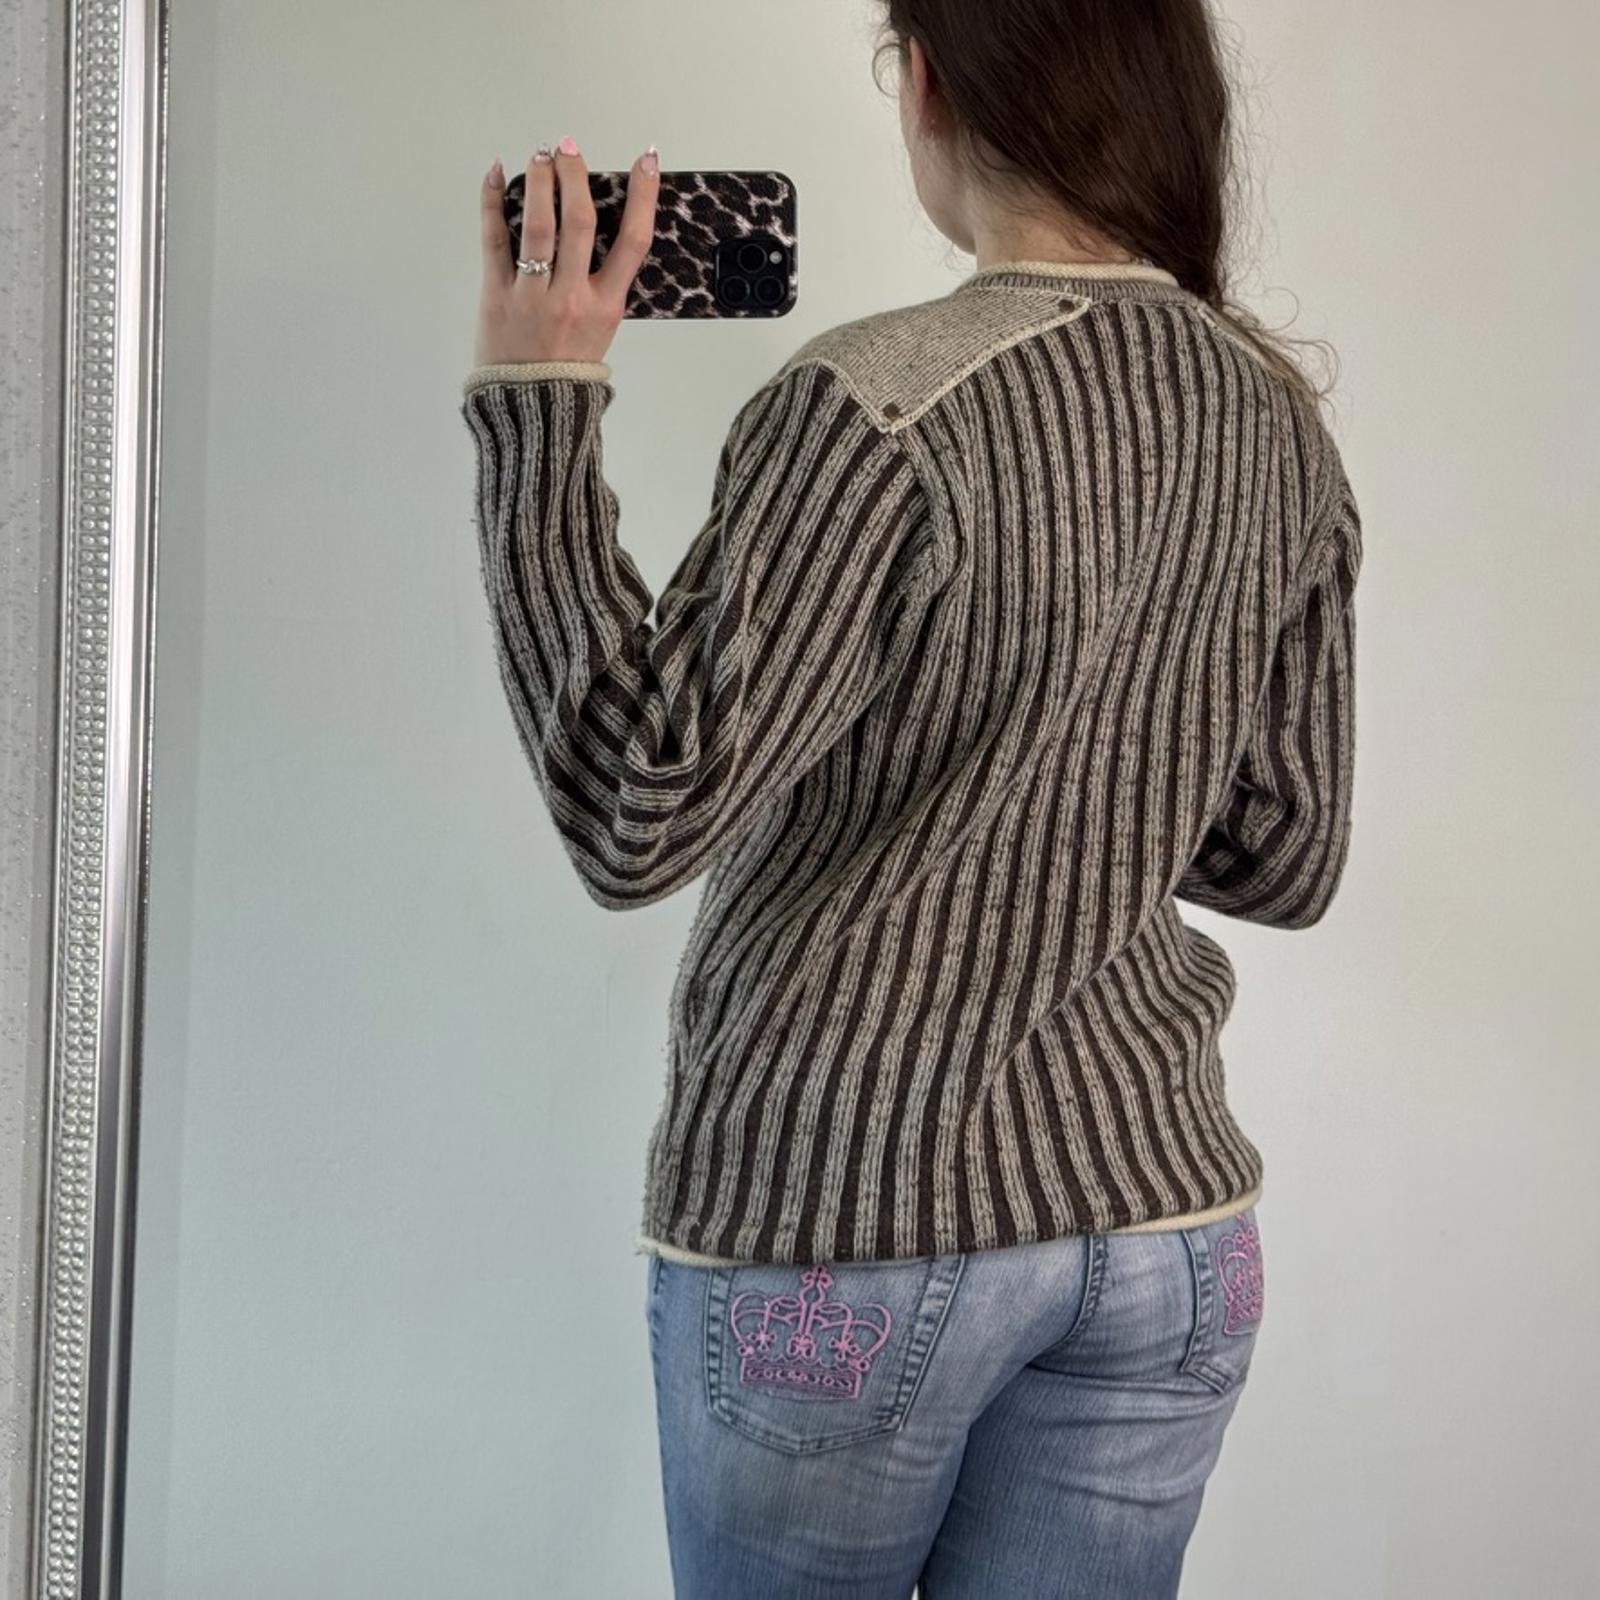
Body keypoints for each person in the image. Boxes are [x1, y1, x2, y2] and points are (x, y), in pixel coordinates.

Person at [460, 2, 1360, 1593]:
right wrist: (1088, 751)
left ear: (931, 83)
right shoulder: (1273, 422)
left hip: (851, 1225)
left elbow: (634, 813)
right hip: (1166, 1231)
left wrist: (540, 398)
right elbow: (1282, 854)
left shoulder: (875, 405)